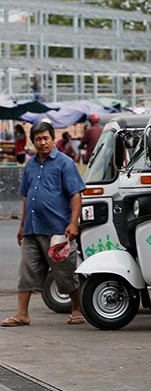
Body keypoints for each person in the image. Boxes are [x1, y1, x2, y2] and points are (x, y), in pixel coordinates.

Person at [2, 121, 87, 327]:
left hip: (57, 229)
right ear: (33, 142)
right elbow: (26, 197)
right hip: (32, 228)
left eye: (45, 138)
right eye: (38, 139)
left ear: (52, 139)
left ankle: (76, 310)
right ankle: (22, 314)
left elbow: (76, 194)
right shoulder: (30, 165)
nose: (42, 142)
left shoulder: (65, 163)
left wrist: (73, 224)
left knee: (64, 272)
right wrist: (22, 227)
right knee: (26, 271)